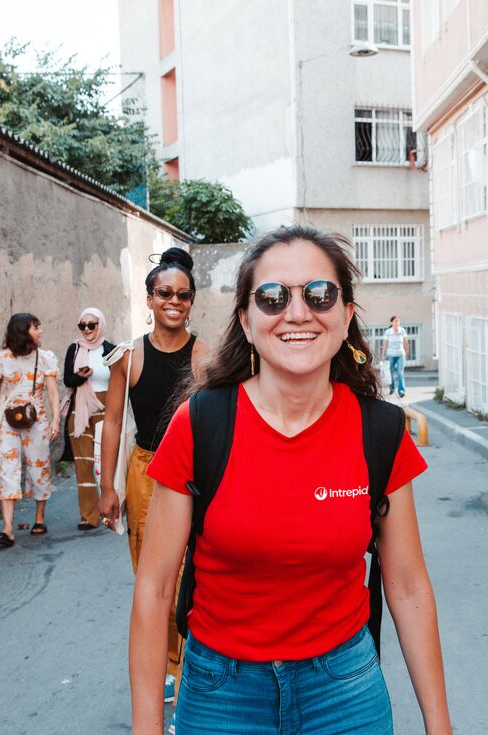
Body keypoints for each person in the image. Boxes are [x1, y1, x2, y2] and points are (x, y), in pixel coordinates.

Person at [130, 226, 451, 735]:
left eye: (319, 295)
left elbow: (409, 586)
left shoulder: (379, 431)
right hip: (221, 696)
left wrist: (440, 726)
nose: (298, 313)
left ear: (346, 315)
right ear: (246, 320)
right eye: (272, 297)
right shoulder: (200, 424)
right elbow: (154, 589)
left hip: (345, 694)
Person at [99, 247, 209, 711]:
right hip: (145, 475)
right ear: (149, 299)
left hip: (193, 477)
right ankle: (168, 665)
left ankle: (188, 677)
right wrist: (107, 488)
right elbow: (111, 422)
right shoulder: (128, 357)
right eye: (165, 293)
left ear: (191, 302)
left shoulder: (204, 357)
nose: (174, 302)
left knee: (190, 580)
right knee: (152, 580)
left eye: (183, 295)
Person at [0, 313, 61, 547]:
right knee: (6, 468)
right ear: (23, 331)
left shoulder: (45, 358)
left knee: (39, 465)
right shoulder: (0, 360)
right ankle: (7, 529)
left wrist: (55, 420)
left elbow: (53, 392)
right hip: (7, 420)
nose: (40, 331)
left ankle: (39, 518)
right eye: (36, 327)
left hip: (36, 419)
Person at [61, 307, 114, 531]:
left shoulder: (111, 350)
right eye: (82, 325)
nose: (87, 329)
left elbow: (119, 382)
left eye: (91, 325)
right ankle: (88, 516)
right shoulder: (74, 349)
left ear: (100, 325)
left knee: (106, 463)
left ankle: (110, 512)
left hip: (105, 407)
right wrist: (80, 377)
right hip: (80, 410)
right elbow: (68, 380)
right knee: (84, 464)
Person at [382, 315, 408, 398]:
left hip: (400, 355)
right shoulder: (388, 332)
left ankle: (401, 391)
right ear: (392, 322)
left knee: (400, 373)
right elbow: (385, 344)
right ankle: (392, 387)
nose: (397, 323)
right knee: (391, 373)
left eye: (398, 321)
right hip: (390, 355)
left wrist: (407, 350)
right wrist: (383, 355)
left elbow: (405, 342)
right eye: (395, 321)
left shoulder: (402, 331)